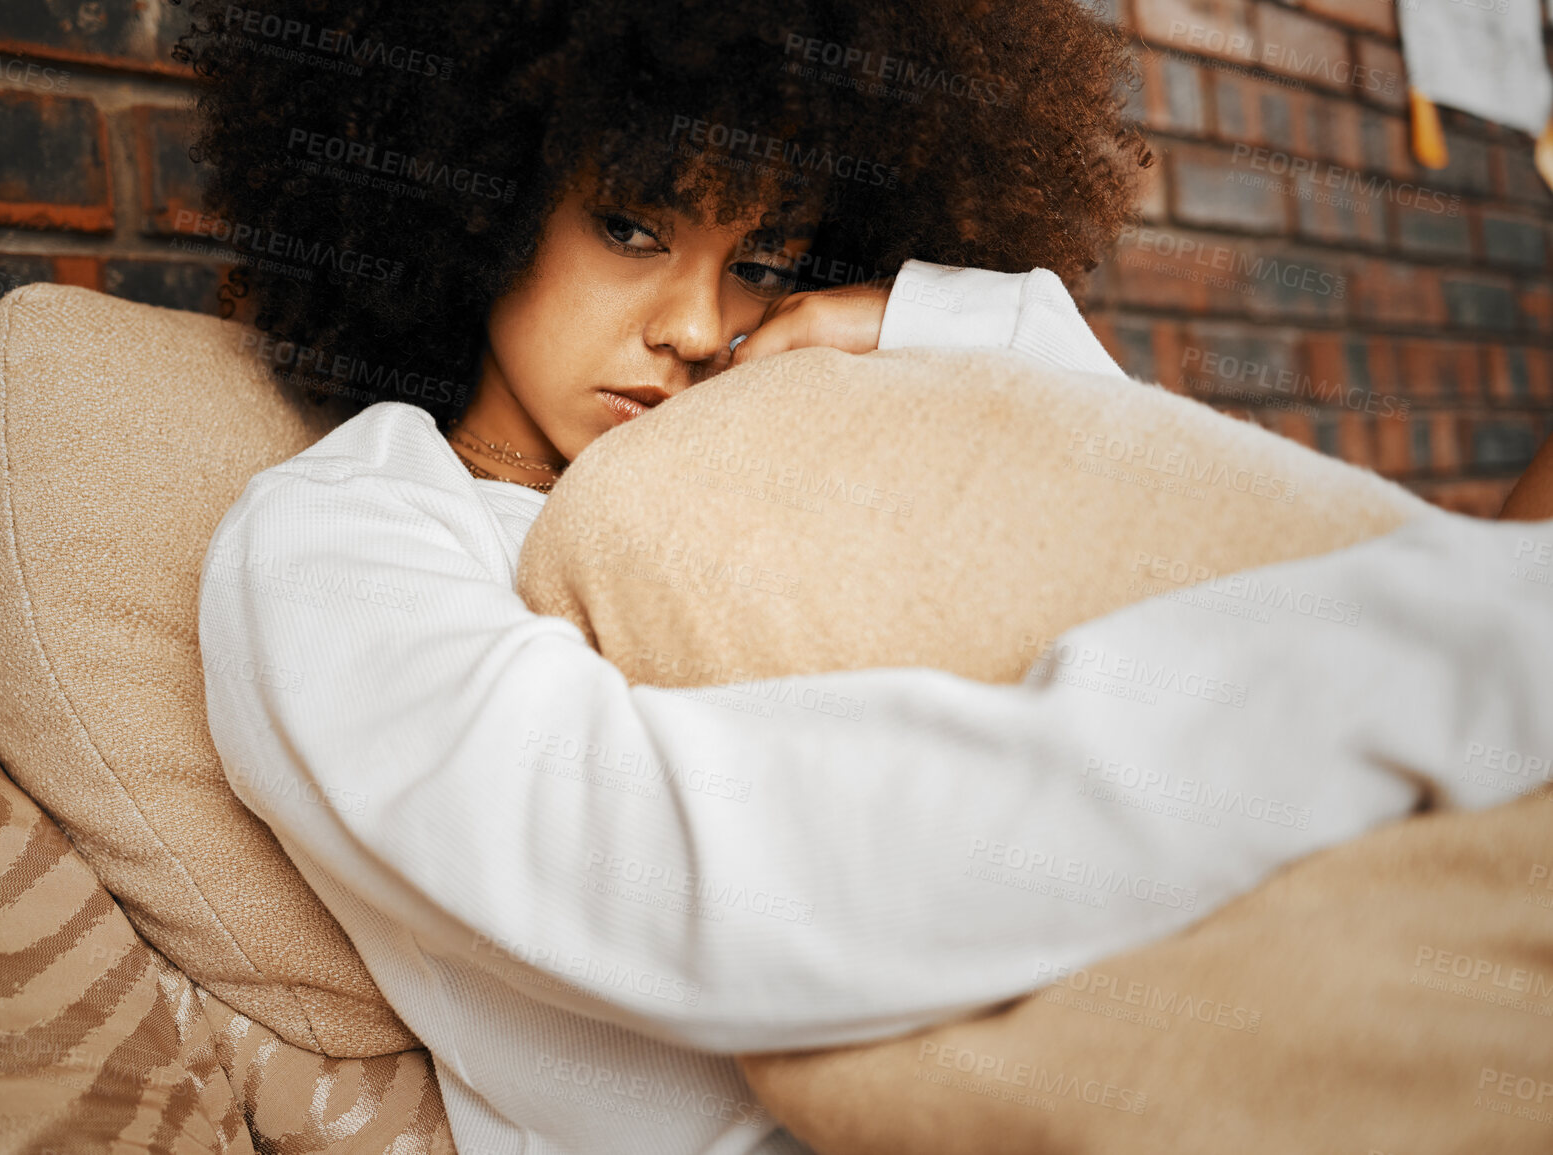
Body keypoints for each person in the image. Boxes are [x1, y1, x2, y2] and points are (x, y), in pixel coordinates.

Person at [183, 2, 1553, 1151]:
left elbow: (1104, 543)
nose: (698, 327)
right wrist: (1401, 679)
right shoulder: (338, 535)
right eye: (633, 226)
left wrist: (925, 318)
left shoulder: (748, 446)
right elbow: (680, 879)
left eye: (759, 259)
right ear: (473, 191)